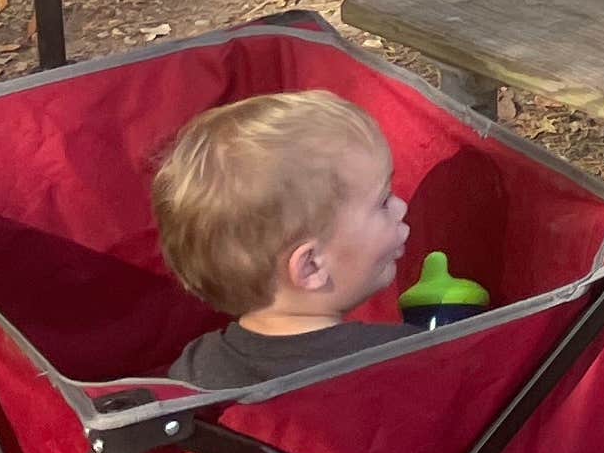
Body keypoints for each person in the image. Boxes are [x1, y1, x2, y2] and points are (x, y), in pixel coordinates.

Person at [152, 91, 416, 390]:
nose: (401, 207)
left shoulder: (195, 369)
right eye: (383, 201)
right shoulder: (403, 360)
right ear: (311, 266)